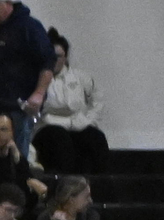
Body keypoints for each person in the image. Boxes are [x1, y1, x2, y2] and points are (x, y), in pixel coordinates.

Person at [0, 0, 57, 160]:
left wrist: (39, 94)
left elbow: (48, 61)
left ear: (7, 3)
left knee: (16, 160)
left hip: (17, 108)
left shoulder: (29, 27)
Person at [34, 31, 109, 174]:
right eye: (50, 56)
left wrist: (88, 120)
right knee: (60, 140)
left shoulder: (81, 77)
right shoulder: (36, 77)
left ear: (66, 57)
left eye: (58, 56)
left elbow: (97, 101)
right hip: (47, 126)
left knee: (96, 138)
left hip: (77, 124)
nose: (54, 60)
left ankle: (100, 186)